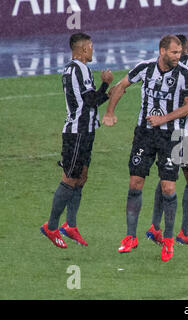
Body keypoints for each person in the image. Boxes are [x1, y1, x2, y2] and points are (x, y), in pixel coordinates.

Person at [102, 35, 188, 261]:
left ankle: (169, 240)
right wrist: (110, 112)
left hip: (171, 135)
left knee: (168, 188)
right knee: (135, 182)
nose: (178, 56)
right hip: (144, 134)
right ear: (162, 50)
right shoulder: (144, 68)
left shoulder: (184, 73)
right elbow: (121, 86)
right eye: (174, 52)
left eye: (179, 52)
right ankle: (130, 237)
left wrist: (164, 118)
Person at [40, 32, 113, 248]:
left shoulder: (79, 69)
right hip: (76, 133)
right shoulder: (77, 69)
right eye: (90, 46)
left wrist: (106, 94)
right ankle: (51, 226)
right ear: (82, 49)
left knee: (81, 176)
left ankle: (70, 225)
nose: (92, 49)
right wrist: (106, 85)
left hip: (86, 132)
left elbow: (89, 100)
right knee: (70, 178)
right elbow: (90, 100)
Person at [146, 34, 188, 248]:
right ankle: (184, 232)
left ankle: (155, 226)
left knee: (167, 178)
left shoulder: (168, 70)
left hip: (170, 132)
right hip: (184, 133)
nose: (181, 54)